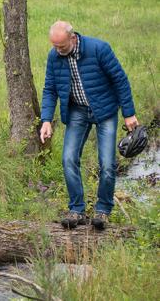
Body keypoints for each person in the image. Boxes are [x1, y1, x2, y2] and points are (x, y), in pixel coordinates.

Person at [40, 21, 139, 230]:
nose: (58, 51)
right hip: (77, 111)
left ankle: (103, 210)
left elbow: (120, 80)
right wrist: (46, 119)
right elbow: (50, 88)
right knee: (68, 158)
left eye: (62, 47)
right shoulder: (54, 56)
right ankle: (76, 210)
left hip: (105, 110)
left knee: (107, 164)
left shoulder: (99, 49)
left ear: (73, 38)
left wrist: (129, 113)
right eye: (55, 47)